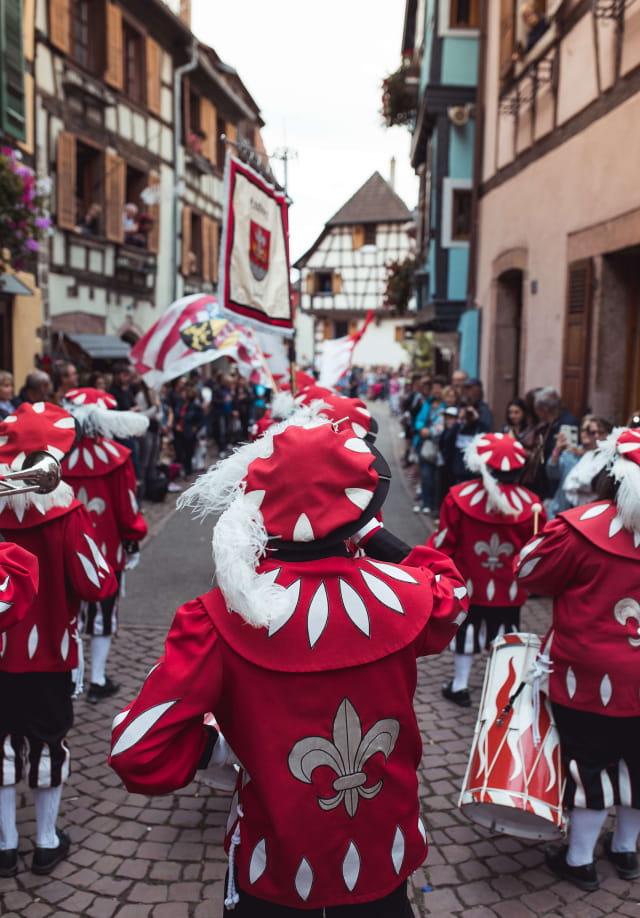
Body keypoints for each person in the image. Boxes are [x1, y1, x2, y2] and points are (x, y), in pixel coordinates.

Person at [109, 413, 469, 915]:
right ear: (363, 508)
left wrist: (221, 749)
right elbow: (452, 587)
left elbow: (136, 751)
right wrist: (370, 534)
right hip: (381, 853)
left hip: (273, 863)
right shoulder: (410, 596)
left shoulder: (216, 619)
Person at [514, 426, 640, 891]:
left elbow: (530, 574)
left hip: (585, 673)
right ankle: (626, 853)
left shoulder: (580, 526)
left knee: (589, 763)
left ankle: (580, 859)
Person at [0, 402, 116, 877]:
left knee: (1, 743)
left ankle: (5, 846)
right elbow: (98, 584)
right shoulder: (65, 513)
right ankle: (45, 841)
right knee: (48, 741)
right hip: (49, 652)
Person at [429, 432, 544, 707]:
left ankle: (459, 686)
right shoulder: (533, 505)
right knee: (505, 634)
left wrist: (437, 572)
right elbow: (536, 550)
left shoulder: (458, 497)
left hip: (469, 581)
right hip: (509, 586)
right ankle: (501, 691)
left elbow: (444, 542)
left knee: (466, 630)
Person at [61, 388, 148, 702]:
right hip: (105, 550)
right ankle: (95, 678)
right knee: (103, 615)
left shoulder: (54, 457)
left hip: (63, 550)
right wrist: (133, 540)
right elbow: (127, 509)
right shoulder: (118, 457)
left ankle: (72, 680)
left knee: (67, 614)